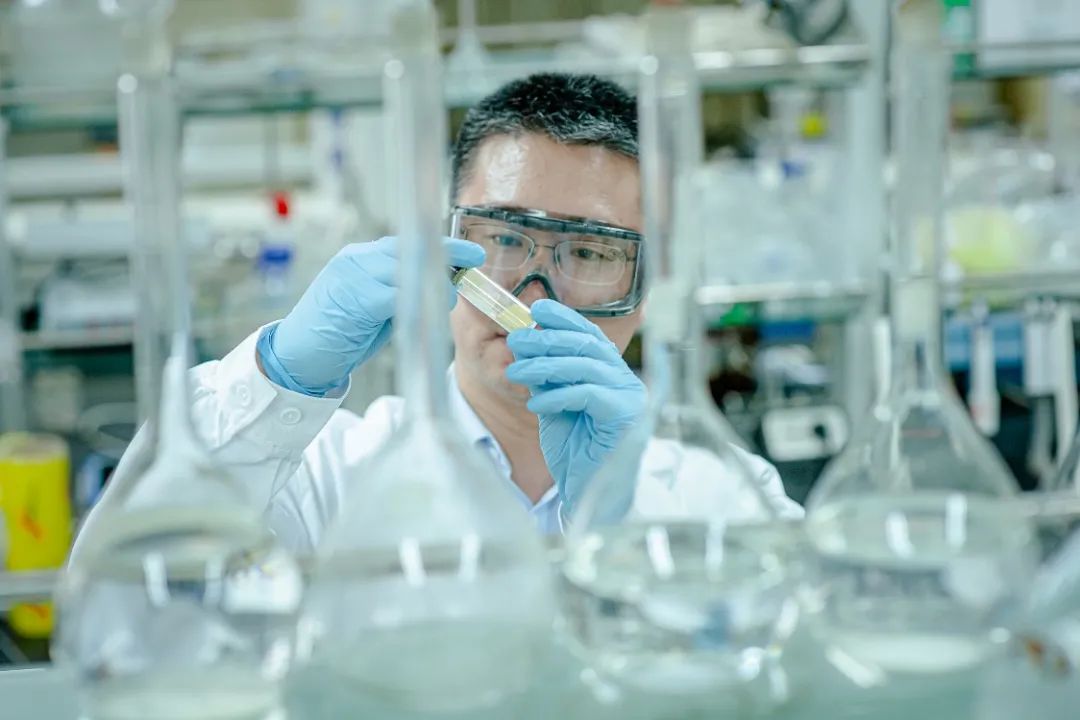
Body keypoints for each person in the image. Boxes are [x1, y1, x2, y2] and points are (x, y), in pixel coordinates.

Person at [101, 73, 800, 553]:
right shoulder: (324, 477)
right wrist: (279, 376)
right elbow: (137, 607)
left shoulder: (726, 494)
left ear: (647, 291)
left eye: (589, 252)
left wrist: (623, 521)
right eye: (503, 239)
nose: (533, 294)